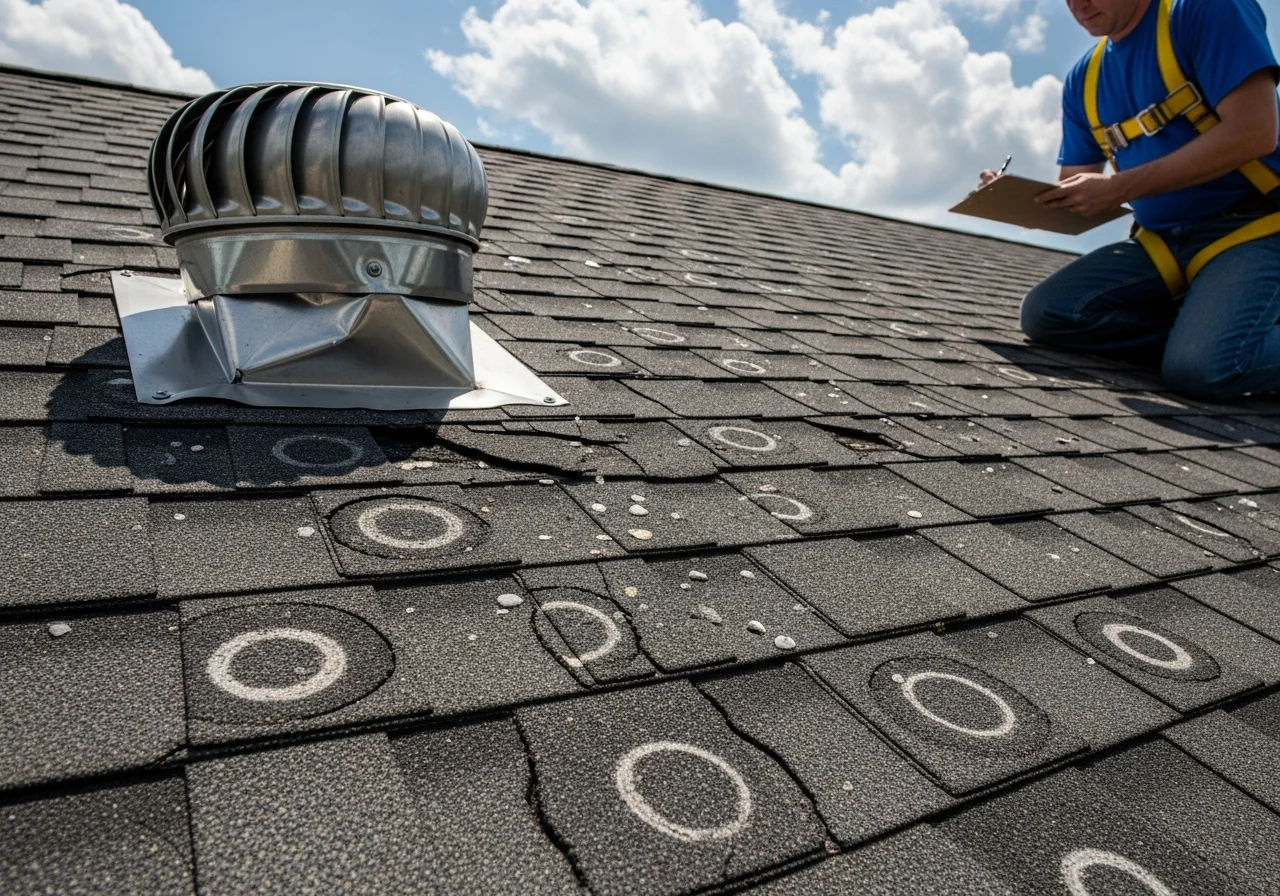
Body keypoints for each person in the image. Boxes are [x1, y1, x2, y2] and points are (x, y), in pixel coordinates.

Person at [994, 0, 1280, 400]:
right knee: (1048, 313)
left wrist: (1121, 187)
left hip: (1255, 228)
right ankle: (1209, 331)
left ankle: (1211, 343)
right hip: (1161, 242)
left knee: (1202, 370)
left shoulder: (1205, 10)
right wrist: (1015, 198)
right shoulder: (1084, 80)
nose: (1078, 4)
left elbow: (1256, 131)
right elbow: (1079, 184)